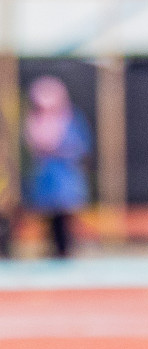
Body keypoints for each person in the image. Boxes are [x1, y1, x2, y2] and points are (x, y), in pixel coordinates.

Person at [24, 76, 91, 259]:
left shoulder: (70, 118)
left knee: (65, 216)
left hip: (65, 176)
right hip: (47, 176)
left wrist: (60, 151)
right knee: (50, 217)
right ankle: (55, 248)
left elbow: (80, 145)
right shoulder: (34, 120)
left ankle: (66, 248)